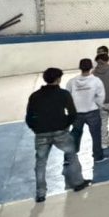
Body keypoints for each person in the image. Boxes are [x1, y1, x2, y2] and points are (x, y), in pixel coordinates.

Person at [25, 68, 86, 203]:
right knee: (72, 156)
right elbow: (72, 114)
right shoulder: (63, 94)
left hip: (41, 133)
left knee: (40, 163)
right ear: (58, 79)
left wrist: (36, 129)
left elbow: (29, 117)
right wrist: (65, 125)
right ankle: (78, 182)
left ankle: (40, 193)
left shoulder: (35, 96)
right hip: (60, 132)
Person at [67, 58, 107, 178]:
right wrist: (98, 105)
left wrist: (72, 109)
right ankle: (98, 156)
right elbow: (101, 96)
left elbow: (67, 96)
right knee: (96, 135)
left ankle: (69, 157)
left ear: (80, 67)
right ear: (91, 67)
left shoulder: (72, 82)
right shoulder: (96, 81)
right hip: (92, 112)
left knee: (75, 134)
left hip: (77, 113)